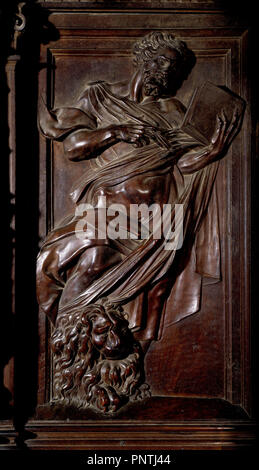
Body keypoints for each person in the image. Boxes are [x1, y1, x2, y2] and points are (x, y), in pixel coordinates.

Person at [37, 32, 241, 355]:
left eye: (173, 68)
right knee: (74, 264)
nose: (165, 71)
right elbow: (74, 148)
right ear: (143, 58)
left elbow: (185, 162)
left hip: (160, 218)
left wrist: (212, 151)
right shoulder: (100, 98)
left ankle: (129, 361)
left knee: (157, 292)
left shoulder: (175, 111)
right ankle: (68, 351)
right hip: (108, 211)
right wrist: (115, 132)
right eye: (160, 60)